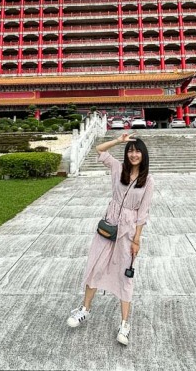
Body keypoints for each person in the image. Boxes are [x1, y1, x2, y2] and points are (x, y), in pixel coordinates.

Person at [66, 132, 154, 346]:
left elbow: (143, 212)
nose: (134, 154)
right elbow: (100, 150)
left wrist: (137, 239)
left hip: (128, 232)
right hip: (108, 226)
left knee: (125, 275)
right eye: (131, 151)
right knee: (95, 265)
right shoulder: (118, 169)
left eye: (137, 151)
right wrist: (119, 141)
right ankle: (85, 309)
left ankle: (125, 324)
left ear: (144, 155)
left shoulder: (148, 180)